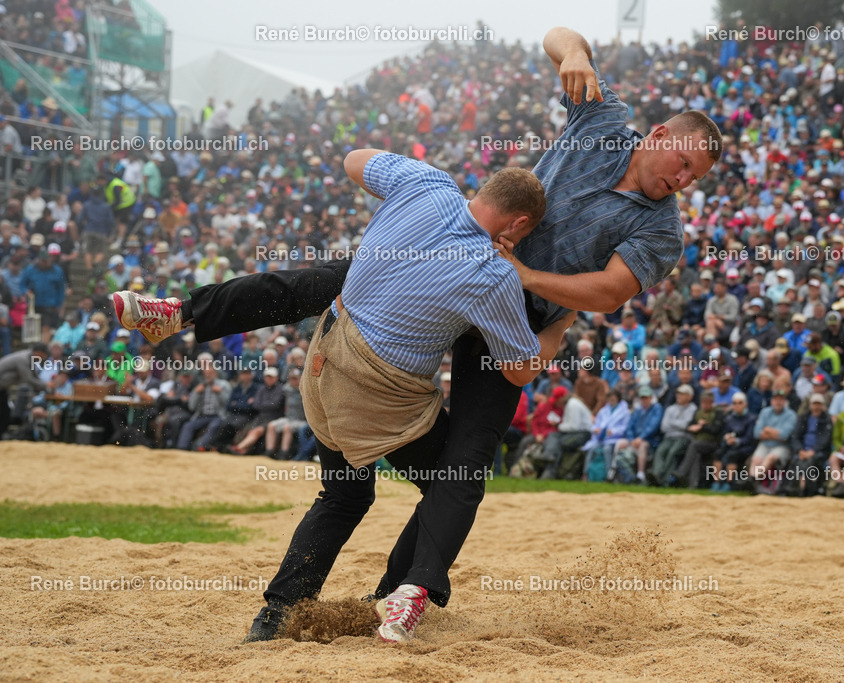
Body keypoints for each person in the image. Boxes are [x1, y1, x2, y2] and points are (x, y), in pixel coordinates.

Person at [114, 25, 721, 641]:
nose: (683, 182)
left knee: (465, 459)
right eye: (684, 164)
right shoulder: (605, 122)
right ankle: (180, 314)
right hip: (467, 269)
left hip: (507, 308)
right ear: (662, 136)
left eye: (693, 179)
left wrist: (526, 276)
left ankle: (401, 592)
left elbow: (611, 291)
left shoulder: (661, 228)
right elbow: (556, 36)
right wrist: (577, 52)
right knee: (309, 286)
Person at [245, 150, 573, 645]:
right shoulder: (493, 273)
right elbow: (522, 368)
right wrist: (561, 325)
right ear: (520, 223)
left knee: (343, 495)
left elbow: (353, 159)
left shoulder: (428, 185)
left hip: (322, 363)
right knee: (451, 481)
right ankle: (395, 594)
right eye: (522, 235)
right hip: (375, 393)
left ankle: (276, 616)